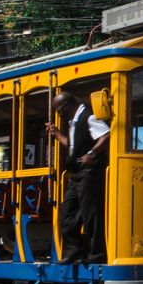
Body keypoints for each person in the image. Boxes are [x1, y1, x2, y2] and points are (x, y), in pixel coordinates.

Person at [46, 92, 110, 264]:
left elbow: (105, 135)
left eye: (59, 110)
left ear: (67, 105)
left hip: (89, 173)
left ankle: (97, 254)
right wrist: (57, 133)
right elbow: (74, 145)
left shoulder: (88, 116)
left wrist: (91, 153)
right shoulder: (74, 121)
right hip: (77, 175)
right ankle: (75, 250)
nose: (59, 114)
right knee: (67, 212)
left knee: (91, 214)